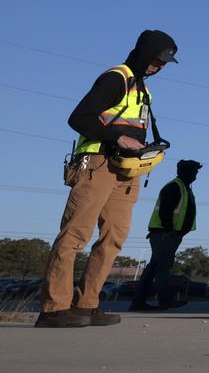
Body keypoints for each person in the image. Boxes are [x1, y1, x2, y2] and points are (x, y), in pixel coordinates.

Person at [37, 30, 178, 329]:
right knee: (75, 234)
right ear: (143, 54)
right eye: (156, 60)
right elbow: (79, 118)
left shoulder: (142, 89)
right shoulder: (116, 78)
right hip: (98, 163)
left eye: (164, 64)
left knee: (114, 238)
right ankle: (53, 309)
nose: (159, 67)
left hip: (126, 171)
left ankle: (86, 305)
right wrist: (118, 138)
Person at [129, 159, 200, 311]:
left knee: (153, 269)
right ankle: (164, 300)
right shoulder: (174, 187)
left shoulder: (184, 188)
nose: (195, 175)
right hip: (165, 234)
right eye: (193, 172)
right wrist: (169, 230)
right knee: (163, 269)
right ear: (184, 172)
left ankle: (138, 302)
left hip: (168, 234)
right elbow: (165, 211)